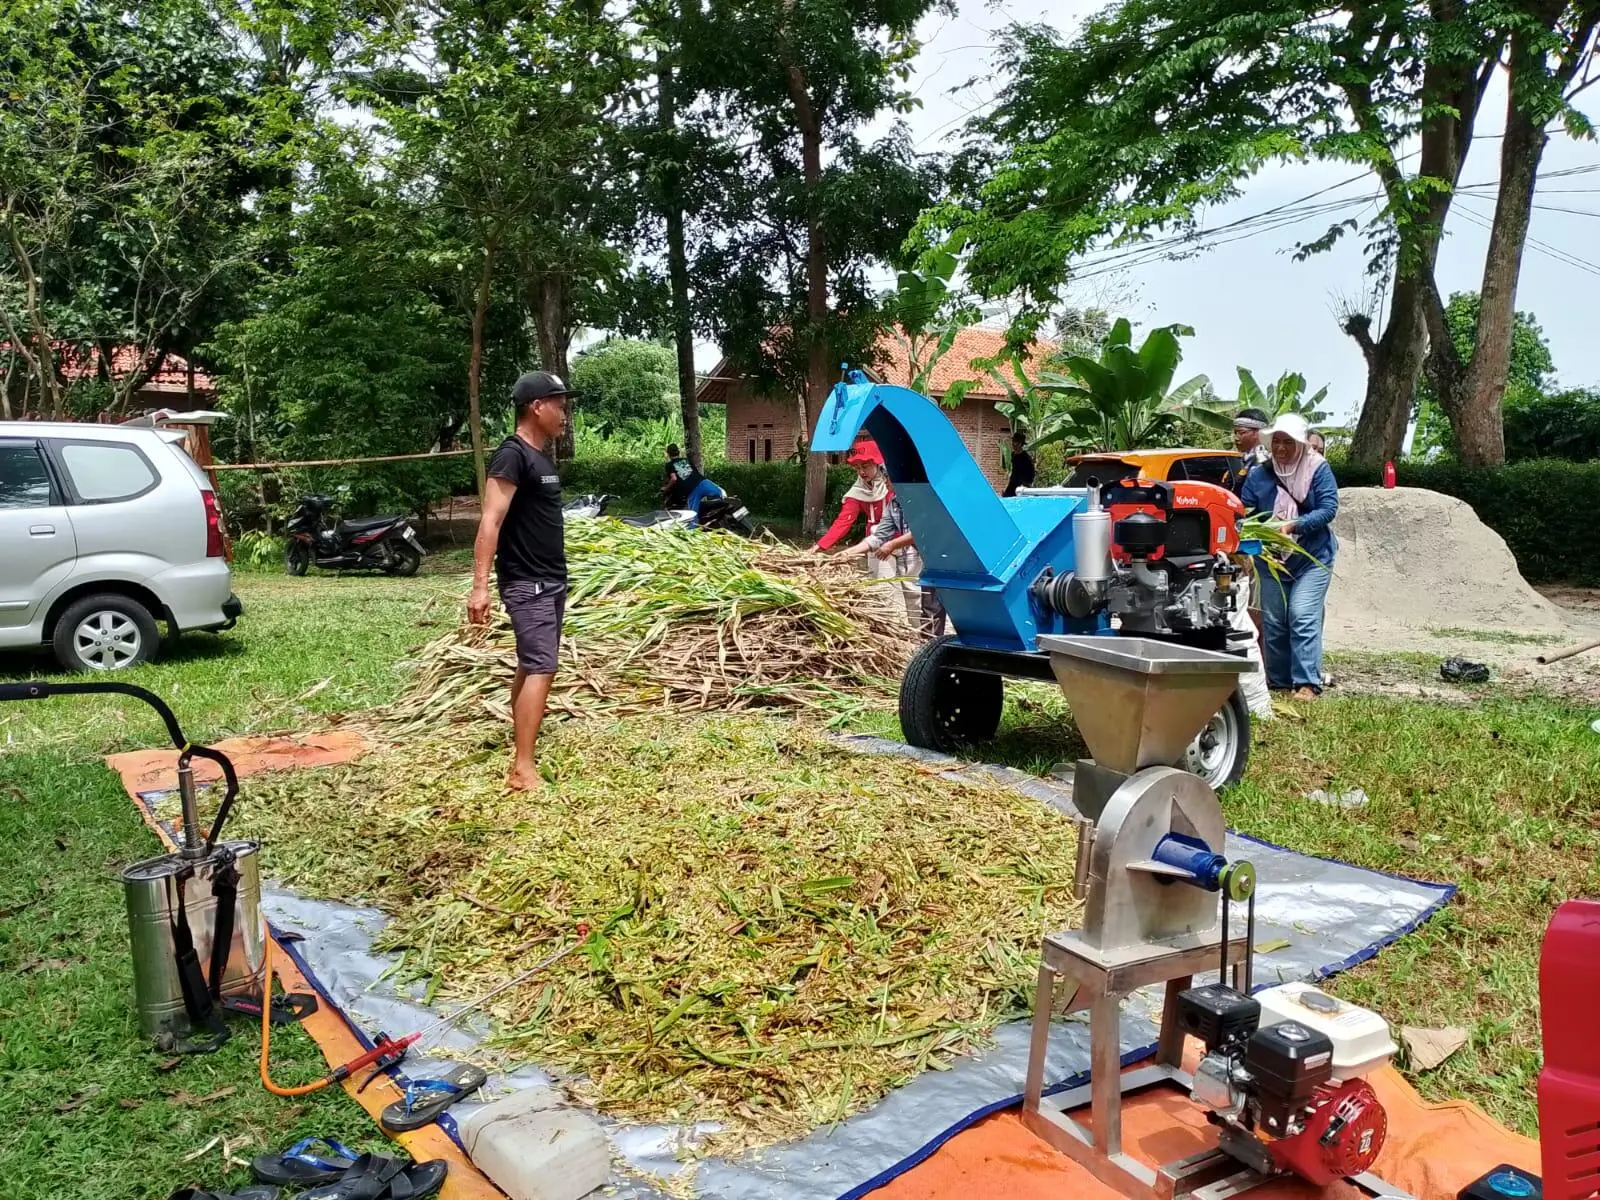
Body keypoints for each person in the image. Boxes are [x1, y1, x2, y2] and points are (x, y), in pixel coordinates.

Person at [468, 370, 570, 791]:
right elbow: (490, 521)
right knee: (543, 666)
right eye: (560, 406)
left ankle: (521, 749)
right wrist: (480, 586)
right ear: (537, 406)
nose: (565, 414)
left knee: (531, 664)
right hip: (528, 582)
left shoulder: (541, 456)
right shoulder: (512, 455)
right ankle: (522, 768)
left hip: (550, 578)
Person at [1241, 413, 1338, 701]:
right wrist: (1248, 548)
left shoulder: (1317, 469)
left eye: (1288, 442)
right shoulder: (1259, 475)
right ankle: (1280, 681)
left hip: (1312, 557)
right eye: (1276, 442)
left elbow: (1328, 508)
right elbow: (1244, 513)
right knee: (1274, 620)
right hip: (1271, 559)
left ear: (1301, 444)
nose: (1281, 448)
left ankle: (1306, 683)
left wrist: (1293, 526)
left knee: (1302, 615)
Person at [839, 490, 946, 638]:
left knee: (938, 603)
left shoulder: (923, 500)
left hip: (944, 554)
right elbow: (878, 537)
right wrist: (848, 553)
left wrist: (892, 545)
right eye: (887, 479)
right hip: (929, 561)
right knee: (930, 607)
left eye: (891, 478)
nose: (889, 484)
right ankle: (929, 647)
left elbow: (923, 530)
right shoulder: (894, 504)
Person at [811, 440, 891, 555]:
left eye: (865, 466)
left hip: (901, 542)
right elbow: (844, 521)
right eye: (857, 468)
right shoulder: (857, 491)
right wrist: (821, 545)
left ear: (877, 464)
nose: (861, 472)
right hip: (874, 541)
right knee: (880, 573)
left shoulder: (893, 487)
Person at [1003, 432, 1036, 497]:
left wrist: (1026, 483)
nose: (1013, 444)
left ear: (1020, 444)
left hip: (1022, 483)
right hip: (1013, 482)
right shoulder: (1013, 455)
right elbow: (1014, 470)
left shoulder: (1025, 457)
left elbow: (1031, 472)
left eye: (1016, 442)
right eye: (1013, 442)